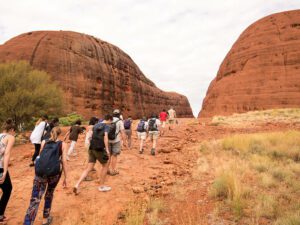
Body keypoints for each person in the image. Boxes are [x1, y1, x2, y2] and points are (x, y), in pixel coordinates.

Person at [24, 127, 68, 225]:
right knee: (49, 193)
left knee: (35, 200)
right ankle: (45, 218)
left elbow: (41, 157)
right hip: (54, 174)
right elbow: (64, 161)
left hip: (40, 174)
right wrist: (66, 177)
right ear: (60, 134)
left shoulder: (44, 142)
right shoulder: (63, 144)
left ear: (50, 133)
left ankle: (27, 223)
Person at [73, 114, 112, 194]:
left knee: (88, 168)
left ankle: (77, 184)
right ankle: (101, 186)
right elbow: (105, 137)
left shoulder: (96, 125)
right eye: (111, 121)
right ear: (109, 119)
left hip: (92, 148)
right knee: (105, 165)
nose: (110, 123)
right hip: (99, 148)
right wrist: (107, 149)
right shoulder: (106, 126)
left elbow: (90, 136)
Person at [0, 119, 15, 224]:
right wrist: (5, 172)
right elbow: (7, 154)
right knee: (7, 189)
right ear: (12, 130)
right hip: (0, 167)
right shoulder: (10, 137)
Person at [108, 109, 126, 176]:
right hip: (116, 140)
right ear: (119, 114)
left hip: (108, 140)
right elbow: (122, 132)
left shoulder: (109, 120)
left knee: (108, 155)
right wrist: (124, 142)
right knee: (114, 155)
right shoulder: (120, 121)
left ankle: (107, 169)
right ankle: (113, 170)